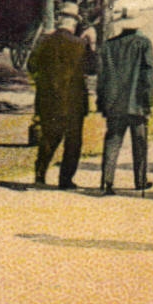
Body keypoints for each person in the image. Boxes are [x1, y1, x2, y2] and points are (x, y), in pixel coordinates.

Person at [27, 15, 92, 189]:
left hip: (49, 99)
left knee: (49, 138)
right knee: (73, 142)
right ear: (74, 25)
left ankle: (40, 174)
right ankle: (65, 179)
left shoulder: (44, 42)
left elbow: (31, 65)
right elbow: (92, 68)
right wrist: (91, 44)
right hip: (74, 101)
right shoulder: (80, 44)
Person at [96, 14, 153, 195]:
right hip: (137, 103)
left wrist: (102, 101)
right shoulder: (144, 43)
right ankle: (140, 180)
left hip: (114, 103)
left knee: (112, 141)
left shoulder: (108, 45)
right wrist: (149, 102)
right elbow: (148, 76)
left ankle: (107, 181)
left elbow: (102, 77)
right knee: (140, 143)